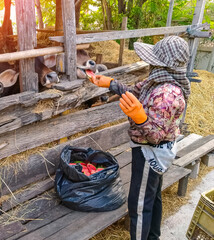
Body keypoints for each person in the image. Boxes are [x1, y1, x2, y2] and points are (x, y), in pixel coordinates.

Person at [89, 36, 191, 240]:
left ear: (163, 64)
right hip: (150, 150)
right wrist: (111, 84)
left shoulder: (167, 93)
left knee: (139, 204)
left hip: (150, 152)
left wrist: (140, 117)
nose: (151, 63)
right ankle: (153, 236)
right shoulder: (156, 81)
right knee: (153, 197)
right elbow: (134, 93)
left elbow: (155, 136)